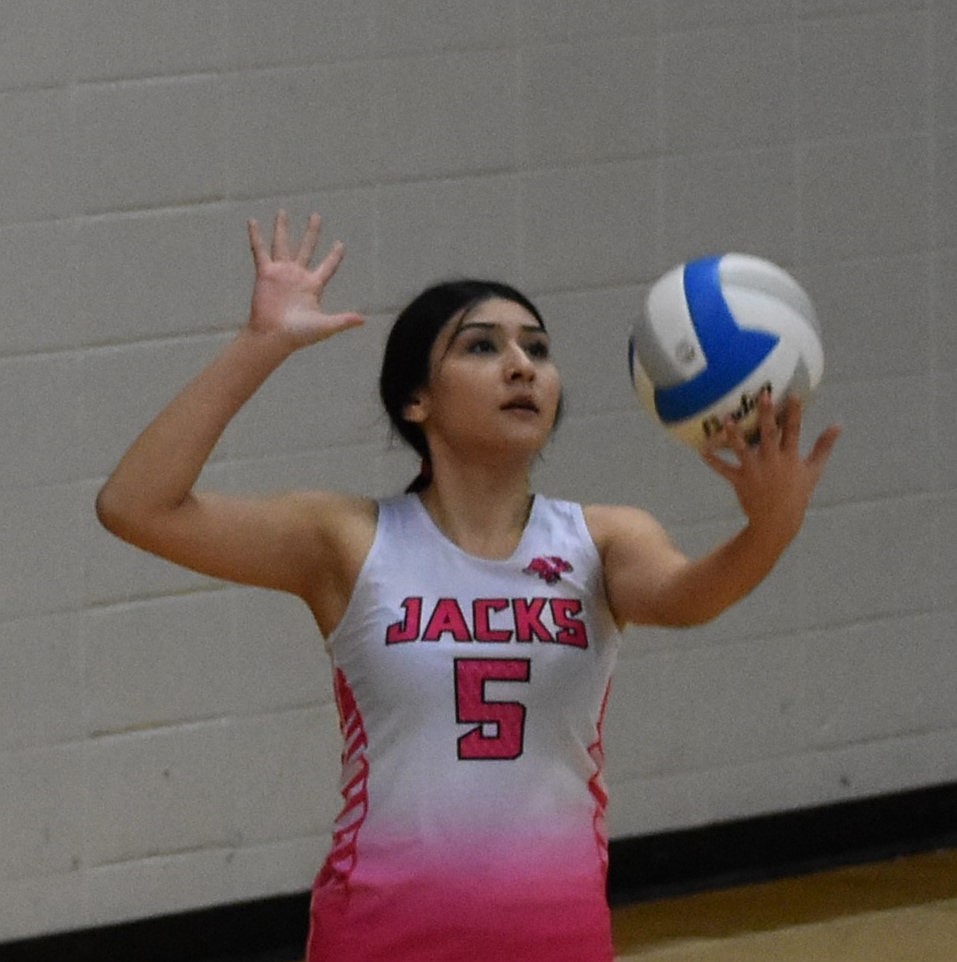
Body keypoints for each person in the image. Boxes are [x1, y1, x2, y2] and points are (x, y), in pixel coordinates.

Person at [96, 211, 841, 962]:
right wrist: (261, 345)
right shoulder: (346, 540)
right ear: (415, 400)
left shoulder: (603, 540)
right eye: (482, 346)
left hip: (556, 938)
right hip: (381, 937)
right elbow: (136, 506)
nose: (522, 366)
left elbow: (689, 597)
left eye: (538, 350)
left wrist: (768, 528)